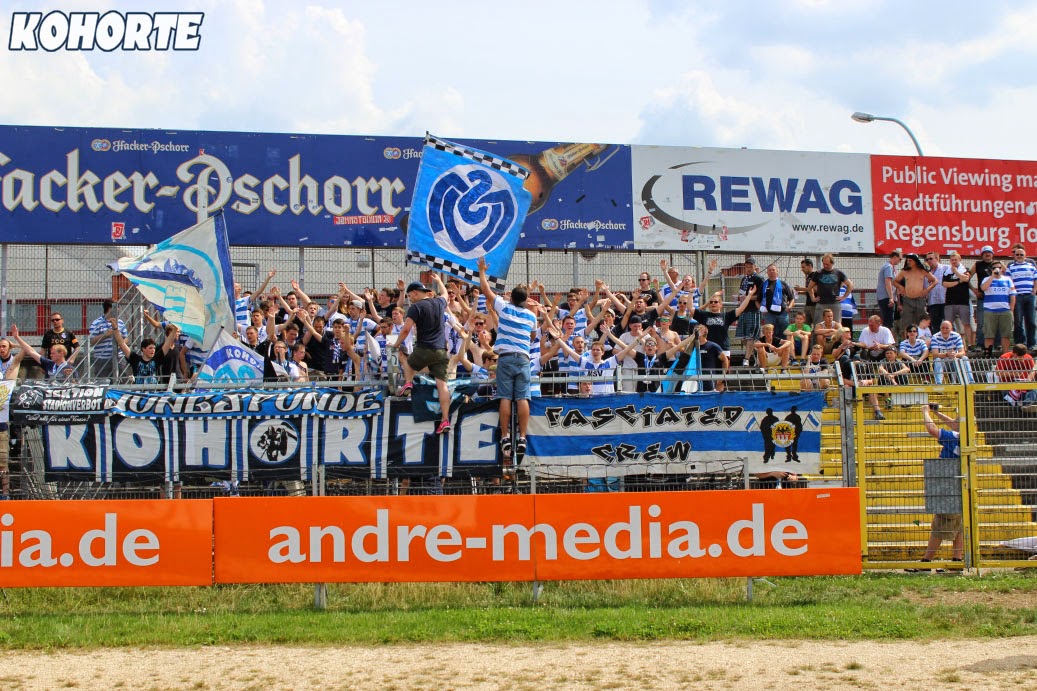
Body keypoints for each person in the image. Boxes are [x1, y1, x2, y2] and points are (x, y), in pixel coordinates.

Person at [479, 256, 540, 462]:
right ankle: (522, 437)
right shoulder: (531, 316)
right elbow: (532, 337)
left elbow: (486, 291)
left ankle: (505, 436)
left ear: (511, 298)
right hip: (523, 358)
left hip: (504, 357)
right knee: (522, 398)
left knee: (505, 397)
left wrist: (481, 271)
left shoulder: (504, 308)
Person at [908, 405, 964, 570]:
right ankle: (956, 561)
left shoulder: (954, 438)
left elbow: (932, 429)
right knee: (958, 524)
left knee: (940, 523)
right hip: (957, 484)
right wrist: (937, 412)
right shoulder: (966, 438)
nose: (953, 422)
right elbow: (955, 425)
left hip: (948, 485)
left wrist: (925, 412)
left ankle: (926, 562)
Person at [395, 276, 453, 435]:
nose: (409, 299)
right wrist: (440, 281)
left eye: (409, 296)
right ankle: (445, 419)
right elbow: (445, 294)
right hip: (441, 350)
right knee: (442, 385)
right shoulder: (439, 303)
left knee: (407, 362)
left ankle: (408, 383)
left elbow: (406, 329)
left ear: (414, 293)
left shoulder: (416, 307)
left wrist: (395, 344)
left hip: (424, 347)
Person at [893, 254, 937, 341]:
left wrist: (927, 290)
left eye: (910, 261)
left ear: (915, 261)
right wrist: (901, 287)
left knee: (920, 321)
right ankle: (906, 342)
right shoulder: (904, 271)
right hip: (907, 300)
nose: (908, 262)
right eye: (907, 261)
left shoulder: (922, 271)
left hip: (920, 300)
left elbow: (935, 281)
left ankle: (920, 342)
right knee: (906, 322)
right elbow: (895, 282)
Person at [10, 324, 75, 382]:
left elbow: (77, 387)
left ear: (61, 353)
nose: (50, 355)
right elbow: (31, 351)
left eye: (53, 353)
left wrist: (71, 378)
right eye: (50, 353)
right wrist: (17, 337)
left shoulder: (70, 368)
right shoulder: (49, 363)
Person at [980, 260, 1016, 356]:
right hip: (990, 311)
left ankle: (1005, 356)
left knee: (1006, 335)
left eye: (999, 268)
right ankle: (988, 355)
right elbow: (983, 288)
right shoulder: (986, 279)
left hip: (1005, 310)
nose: (997, 269)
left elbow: (1012, 295)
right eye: (995, 268)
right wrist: (992, 276)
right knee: (989, 335)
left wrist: (1011, 309)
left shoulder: (1008, 279)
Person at [808, 253, 853, 325]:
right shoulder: (818, 273)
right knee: (818, 324)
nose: (825, 266)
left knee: (836, 324)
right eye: (824, 264)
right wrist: (813, 297)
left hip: (834, 303)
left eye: (827, 264)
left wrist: (844, 297)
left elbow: (850, 285)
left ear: (832, 263)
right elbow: (810, 287)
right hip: (821, 303)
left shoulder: (838, 273)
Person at [87, 299, 128, 379]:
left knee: (121, 381)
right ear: (109, 309)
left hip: (119, 357)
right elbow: (92, 341)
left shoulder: (120, 322)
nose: (118, 310)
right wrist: (105, 335)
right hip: (102, 359)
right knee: (103, 382)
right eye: (116, 308)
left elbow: (126, 338)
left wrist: (121, 344)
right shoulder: (96, 323)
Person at [1006, 243, 1037, 350]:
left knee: (1031, 321)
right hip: (1017, 296)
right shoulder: (1010, 267)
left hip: (1029, 296)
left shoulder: (1031, 266)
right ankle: (1020, 344)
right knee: (1018, 322)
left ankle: (1032, 344)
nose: (1019, 256)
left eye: (1021, 254)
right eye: (1017, 254)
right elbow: (1008, 281)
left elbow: (1035, 279)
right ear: (1014, 256)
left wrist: (1034, 290)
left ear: (1025, 255)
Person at [734, 257, 764, 365]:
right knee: (743, 336)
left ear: (755, 267)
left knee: (751, 335)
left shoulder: (759, 279)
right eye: (746, 266)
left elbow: (761, 296)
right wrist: (740, 298)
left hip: (753, 310)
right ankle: (757, 354)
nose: (748, 268)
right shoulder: (744, 279)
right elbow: (742, 293)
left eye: (751, 266)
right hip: (743, 309)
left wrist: (748, 297)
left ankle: (746, 359)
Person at [941, 252, 973, 350]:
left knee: (966, 324)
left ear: (960, 260)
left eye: (955, 259)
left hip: (963, 301)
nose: (954, 262)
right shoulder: (946, 272)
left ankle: (971, 344)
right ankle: (949, 345)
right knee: (948, 324)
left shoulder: (965, 270)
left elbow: (966, 279)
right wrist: (958, 281)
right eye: (952, 260)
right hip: (950, 302)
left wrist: (956, 272)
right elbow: (945, 284)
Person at [758, 262, 795, 342]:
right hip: (769, 315)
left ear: (777, 271)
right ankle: (771, 352)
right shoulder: (764, 285)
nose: (772, 271)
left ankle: (785, 352)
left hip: (783, 314)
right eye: (770, 270)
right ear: (767, 272)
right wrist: (762, 310)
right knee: (769, 335)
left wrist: (789, 307)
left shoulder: (783, 284)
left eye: (773, 270)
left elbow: (791, 298)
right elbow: (758, 300)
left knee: (784, 334)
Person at [929, 320, 971, 385]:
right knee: (937, 360)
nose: (944, 330)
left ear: (951, 329)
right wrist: (946, 354)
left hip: (954, 361)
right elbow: (934, 354)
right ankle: (939, 384)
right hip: (942, 363)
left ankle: (971, 381)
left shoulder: (956, 336)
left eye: (947, 328)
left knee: (965, 358)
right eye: (943, 328)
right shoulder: (935, 337)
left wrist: (955, 354)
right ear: (940, 328)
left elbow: (962, 352)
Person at [970, 245, 996, 348]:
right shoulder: (977, 264)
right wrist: (974, 290)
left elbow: (1007, 275)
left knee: (995, 322)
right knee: (980, 322)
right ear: (982, 255)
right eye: (985, 253)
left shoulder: (997, 264)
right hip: (982, 298)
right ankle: (979, 344)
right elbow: (967, 277)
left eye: (989, 252)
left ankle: (996, 344)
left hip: (995, 298)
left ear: (992, 254)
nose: (987, 254)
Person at [876, 249, 902, 332]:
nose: (900, 261)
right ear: (895, 257)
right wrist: (891, 297)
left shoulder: (891, 267)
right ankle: (887, 341)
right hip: (886, 297)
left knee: (889, 320)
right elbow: (888, 282)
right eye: (900, 259)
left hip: (887, 297)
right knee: (888, 321)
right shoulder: (888, 267)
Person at [924, 251, 951, 327]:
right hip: (933, 302)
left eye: (931, 259)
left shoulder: (946, 268)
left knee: (948, 324)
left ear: (937, 259)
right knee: (935, 325)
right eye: (927, 259)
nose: (929, 261)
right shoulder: (926, 273)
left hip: (945, 301)